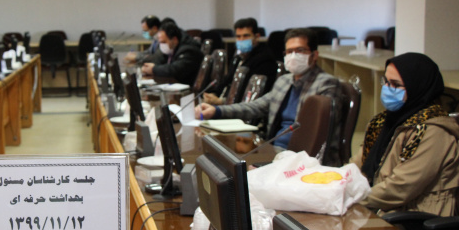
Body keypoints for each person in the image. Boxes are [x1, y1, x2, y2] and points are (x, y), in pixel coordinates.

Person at [196, 28, 341, 163]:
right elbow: (256, 107)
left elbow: (318, 134)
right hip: (273, 150)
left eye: (300, 50)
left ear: (314, 55)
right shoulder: (284, 81)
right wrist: (216, 111)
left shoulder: (326, 84)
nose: (293, 56)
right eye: (289, 51)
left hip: (302, 158)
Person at [352, 53, 459, 217]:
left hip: (412, 219)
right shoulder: (383, 122)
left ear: (417, 87)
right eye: (386, 81)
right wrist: (335, 183)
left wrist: (351, 197)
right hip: (378, 208)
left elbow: (400, 188)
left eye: (395, 85)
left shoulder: (434, 131)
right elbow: (358, 164)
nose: (387, 88)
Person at [204, 17, 278, 105]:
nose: (242, 40)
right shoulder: (238, 57)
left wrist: (222, 101)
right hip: (226, 103)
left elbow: (253, 93)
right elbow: (226, 81)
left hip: (243, 107)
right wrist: (214, 94)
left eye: (246, 36)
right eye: (238, 36)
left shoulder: (265, 59)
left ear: (256, 37)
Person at [140, 21, 203, 85]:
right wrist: (148, 66)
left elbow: (175, 70)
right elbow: (160, 60)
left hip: (187, 87)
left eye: (164, 42)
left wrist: (153, 69)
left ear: (174, 40)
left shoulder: (189, 50)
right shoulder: (172, 47)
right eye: (160, 42)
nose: (161, 45)